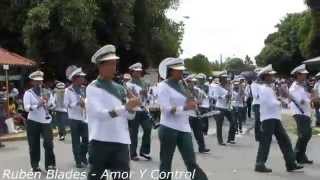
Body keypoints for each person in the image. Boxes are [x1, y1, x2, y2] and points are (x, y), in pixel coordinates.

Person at [87, 44, 141, 180]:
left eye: (115, 63)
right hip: (100, 141)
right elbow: (100, 114)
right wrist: (125, 107)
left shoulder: (120, 88)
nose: (114, 67)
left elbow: (129, 116)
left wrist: (133, 107)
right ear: (100, 66)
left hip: (121, 142)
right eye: (110, 64)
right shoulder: (93, 87)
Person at [157, 57, 208, 180]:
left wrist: (195, 103)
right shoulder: (162, 86)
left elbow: (188, 103)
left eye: (181, 70)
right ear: (170, 71)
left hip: (184, 128)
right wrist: (185, 107)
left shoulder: (183, 85)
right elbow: (165, 109)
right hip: (168, 128)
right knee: (166, 163)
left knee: (191, 161)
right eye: (178, 70)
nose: (181, 73)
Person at [254, 64, 303, 173]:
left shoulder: (269, 88)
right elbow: (269, 103)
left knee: (285, 141)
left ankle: (290, 163)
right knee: (265, 142)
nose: (273, 77)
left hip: (274, 118)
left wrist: (281, 98)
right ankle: (259, 163)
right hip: (268, 118)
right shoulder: (263, 89)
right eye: (271, 75)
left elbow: (274, 101)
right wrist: (280, 100)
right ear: (266, 77)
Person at [23, 70, 56, 172]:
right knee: (34, 144)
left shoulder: (47, 91)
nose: (39, 83)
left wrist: (49, 104)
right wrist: (38, 105)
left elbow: (53, 104)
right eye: (36, 81)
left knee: (49, 143)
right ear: (32, 82)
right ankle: (35, 165)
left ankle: (50, 165)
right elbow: (26, 108)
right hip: (33, 121)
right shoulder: (28, 93)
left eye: (40, 81)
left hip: (46, 121)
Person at [126, 62, 152, 161]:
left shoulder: (144, 83)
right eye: (137, 71)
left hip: (144, 109)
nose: (139, 73)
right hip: (134, 110)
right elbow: (129, 99)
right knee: (134, 133)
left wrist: (146, 95)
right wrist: (138, 95)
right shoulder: (128, 84)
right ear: (132, 72)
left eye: (140, 71)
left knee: (148, 128)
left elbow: (149, 97)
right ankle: (133, 154)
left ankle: (144, 151)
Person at [64, 65, 88, 168]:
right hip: (74, 118)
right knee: (76, 141)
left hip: (84, 118)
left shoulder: (84, 89)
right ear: (75, 78)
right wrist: (77, 103)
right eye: (81, 77)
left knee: (86, 139)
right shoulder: (68, 90)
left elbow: (89, 101)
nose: (83, 79)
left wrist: (85, 103)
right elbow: (66, 104)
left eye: (83, 77)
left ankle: (83, 156)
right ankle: (78, 160)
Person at [289, 64, 313, 164]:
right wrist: (312, 98)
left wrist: (312, 96)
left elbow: (307, 97)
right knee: (304, 134)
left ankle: (301, 155)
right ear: (298, 75)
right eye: (303, 74)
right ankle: (296, 155)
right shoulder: (294, 88)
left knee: (307, 134)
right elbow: (301, 101)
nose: (305, 76)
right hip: (299, 113)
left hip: (306, 113)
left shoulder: (301, 86)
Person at [213, 72, 236, 145]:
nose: (225, 80)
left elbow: (232, 96)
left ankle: (230, 139)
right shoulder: (217, 87)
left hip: (227, 107)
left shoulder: (229, 86)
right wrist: (224, 96)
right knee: (219, 125)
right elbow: (215, 97)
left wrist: (231, 94)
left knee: (233, 122)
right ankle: (220, 141)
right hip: (219, 107)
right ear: (220, 79)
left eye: (226, 78)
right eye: (224, 78)